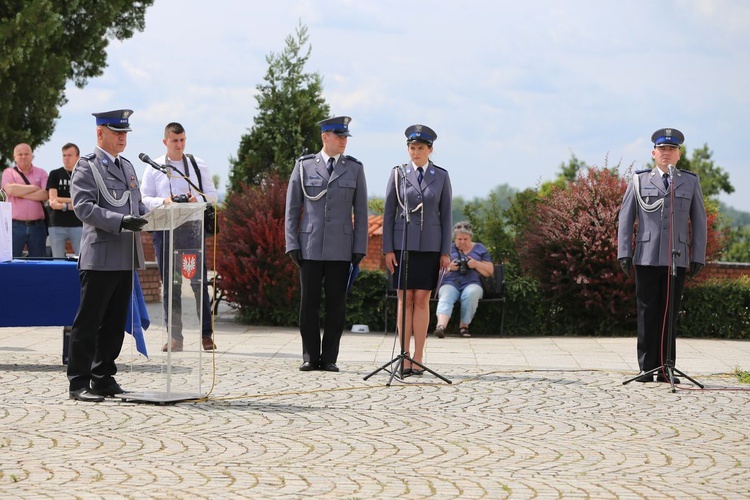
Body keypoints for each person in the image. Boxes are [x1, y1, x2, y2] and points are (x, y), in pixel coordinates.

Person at [66, 109, 148, 402]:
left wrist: (165, 212)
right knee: (89, 321)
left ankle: (103, 377)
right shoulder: (87, 167)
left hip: (125, 256)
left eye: (125, 133)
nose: (122, 138)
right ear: (100, 133)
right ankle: (78, 381)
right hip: (100, 255)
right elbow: (84, 207)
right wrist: (120, 222)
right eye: (117, 132)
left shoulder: (127, 167)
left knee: (114, 322)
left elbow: (136, 206)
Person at [617, 127, 707, 384]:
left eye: (672, 149)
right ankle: (647, 368)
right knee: (647, 313)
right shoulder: (639, 181)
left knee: (670, 313)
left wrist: (697, 255)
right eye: (662, 149)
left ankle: (667, 369)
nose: (667, 153)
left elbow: (699, 221)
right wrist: (624, 252)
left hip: (676, 258)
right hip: (646, 256)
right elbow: (626, 219)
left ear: (679, 154)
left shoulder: (690, 181)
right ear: (653, 153)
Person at [285, 116, 368, 372]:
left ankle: (329, 357)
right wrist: (291, 243)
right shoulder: (304, 166)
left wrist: (359, 248)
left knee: (336, 305)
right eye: (338, 136)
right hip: (309, 245)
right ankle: (310, 355)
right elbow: (292, 207)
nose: (343, 141)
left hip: (341, 248)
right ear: (325, 137)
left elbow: (361, 212)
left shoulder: (354, 168)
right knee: (308, 304)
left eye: (345, 137)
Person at [140, 122, 219, 352]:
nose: (179, 144)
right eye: (175, 140)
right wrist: (164, 201)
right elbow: (144, 199)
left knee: (198, 284)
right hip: (165, 233)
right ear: (165, 142)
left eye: (182, 140)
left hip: (191, 231)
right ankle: (175, 337)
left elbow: (211, 195)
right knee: (171, 286)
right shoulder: (154, 167)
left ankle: (206, 335)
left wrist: (195, 198)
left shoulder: (196, 165)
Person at [383, 124, 452, 375]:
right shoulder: (397, 174)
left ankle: (419, 357)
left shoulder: (441, 176)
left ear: (430, 149)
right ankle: (404, 355)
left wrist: (446, 251)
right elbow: (388, 212)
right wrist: (387, 249)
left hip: (430, 246)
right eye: (412, 148)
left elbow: (446, 216)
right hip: (403, 246)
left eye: (420, 148)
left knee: (422, 299)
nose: (415, 152)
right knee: (405, 298)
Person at [432, 222, 494, 339]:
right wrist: (449, 267)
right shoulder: (448, 249)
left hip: (472, 283)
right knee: (446, 295)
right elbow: (436, 272)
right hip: (450, 282)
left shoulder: (480, 249)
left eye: (465, 239)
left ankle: (464, 326)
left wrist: (475, 264)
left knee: (471, 294)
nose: (462, 242)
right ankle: (440, 326)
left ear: (471, 237)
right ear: (455, 239)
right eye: (459, 239)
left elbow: (490, 271)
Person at [1, 143, 49, 257]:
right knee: (11, 260)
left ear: (32, 155)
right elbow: (10, 190)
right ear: (14, 157)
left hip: (37, 226)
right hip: (14, 226)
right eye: (20, 154)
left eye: (26, 154)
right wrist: (33, 187)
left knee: (39, 262)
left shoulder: (41, 172)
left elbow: (45, 194)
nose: (23, 156)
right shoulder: (8, 172)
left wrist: (20, 193)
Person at [46, 143, 83, 258]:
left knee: (82, 259)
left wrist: (62, 204)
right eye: (64, 155)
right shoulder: (55, 174)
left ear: (78, 157)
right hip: (56, 224)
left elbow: (84, 201)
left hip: (78, 224)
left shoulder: (83, 176)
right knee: (57, 259)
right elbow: (53, 200)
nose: (66, 158)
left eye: (70, 155)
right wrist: (73, 203)